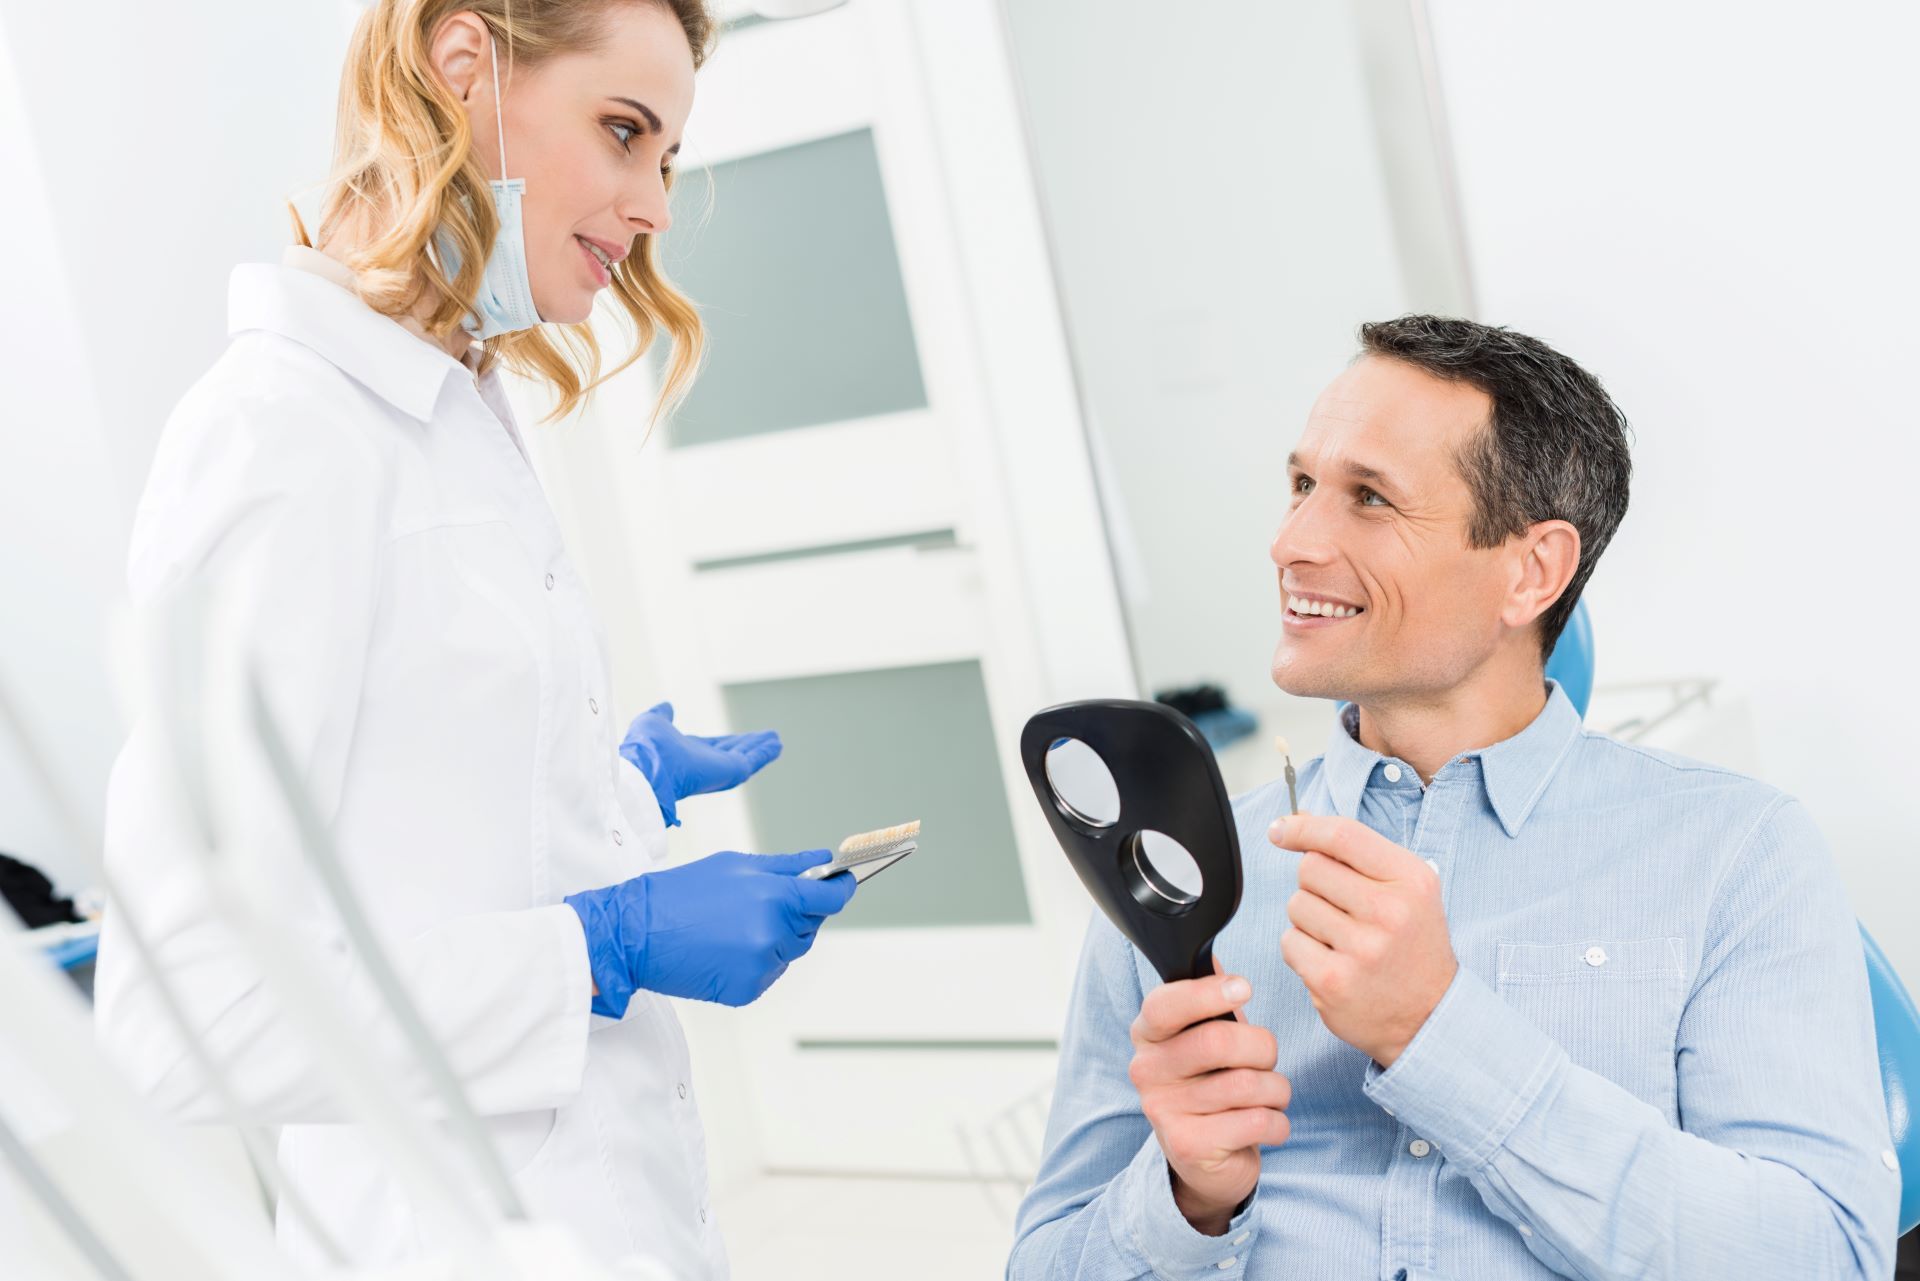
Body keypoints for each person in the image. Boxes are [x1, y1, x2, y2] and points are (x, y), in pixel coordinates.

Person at [92, 4, 855, 1277]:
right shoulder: (280, 438)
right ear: (465, 68)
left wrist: (613, 787)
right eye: (624, 133)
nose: (654, 203)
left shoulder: (453, 402)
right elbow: (186, 1019)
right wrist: (603, 948)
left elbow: (409, 828)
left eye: (663, 158)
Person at [1009, 315, 1898, 1279]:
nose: (1291, 540)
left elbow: (1823, 1259)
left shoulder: (1738, 852)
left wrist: (1436, 1032)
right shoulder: (1172, 876)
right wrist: (1184, 1198)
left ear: (1531, 570)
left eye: (1370, 498)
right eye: (1303, 484)